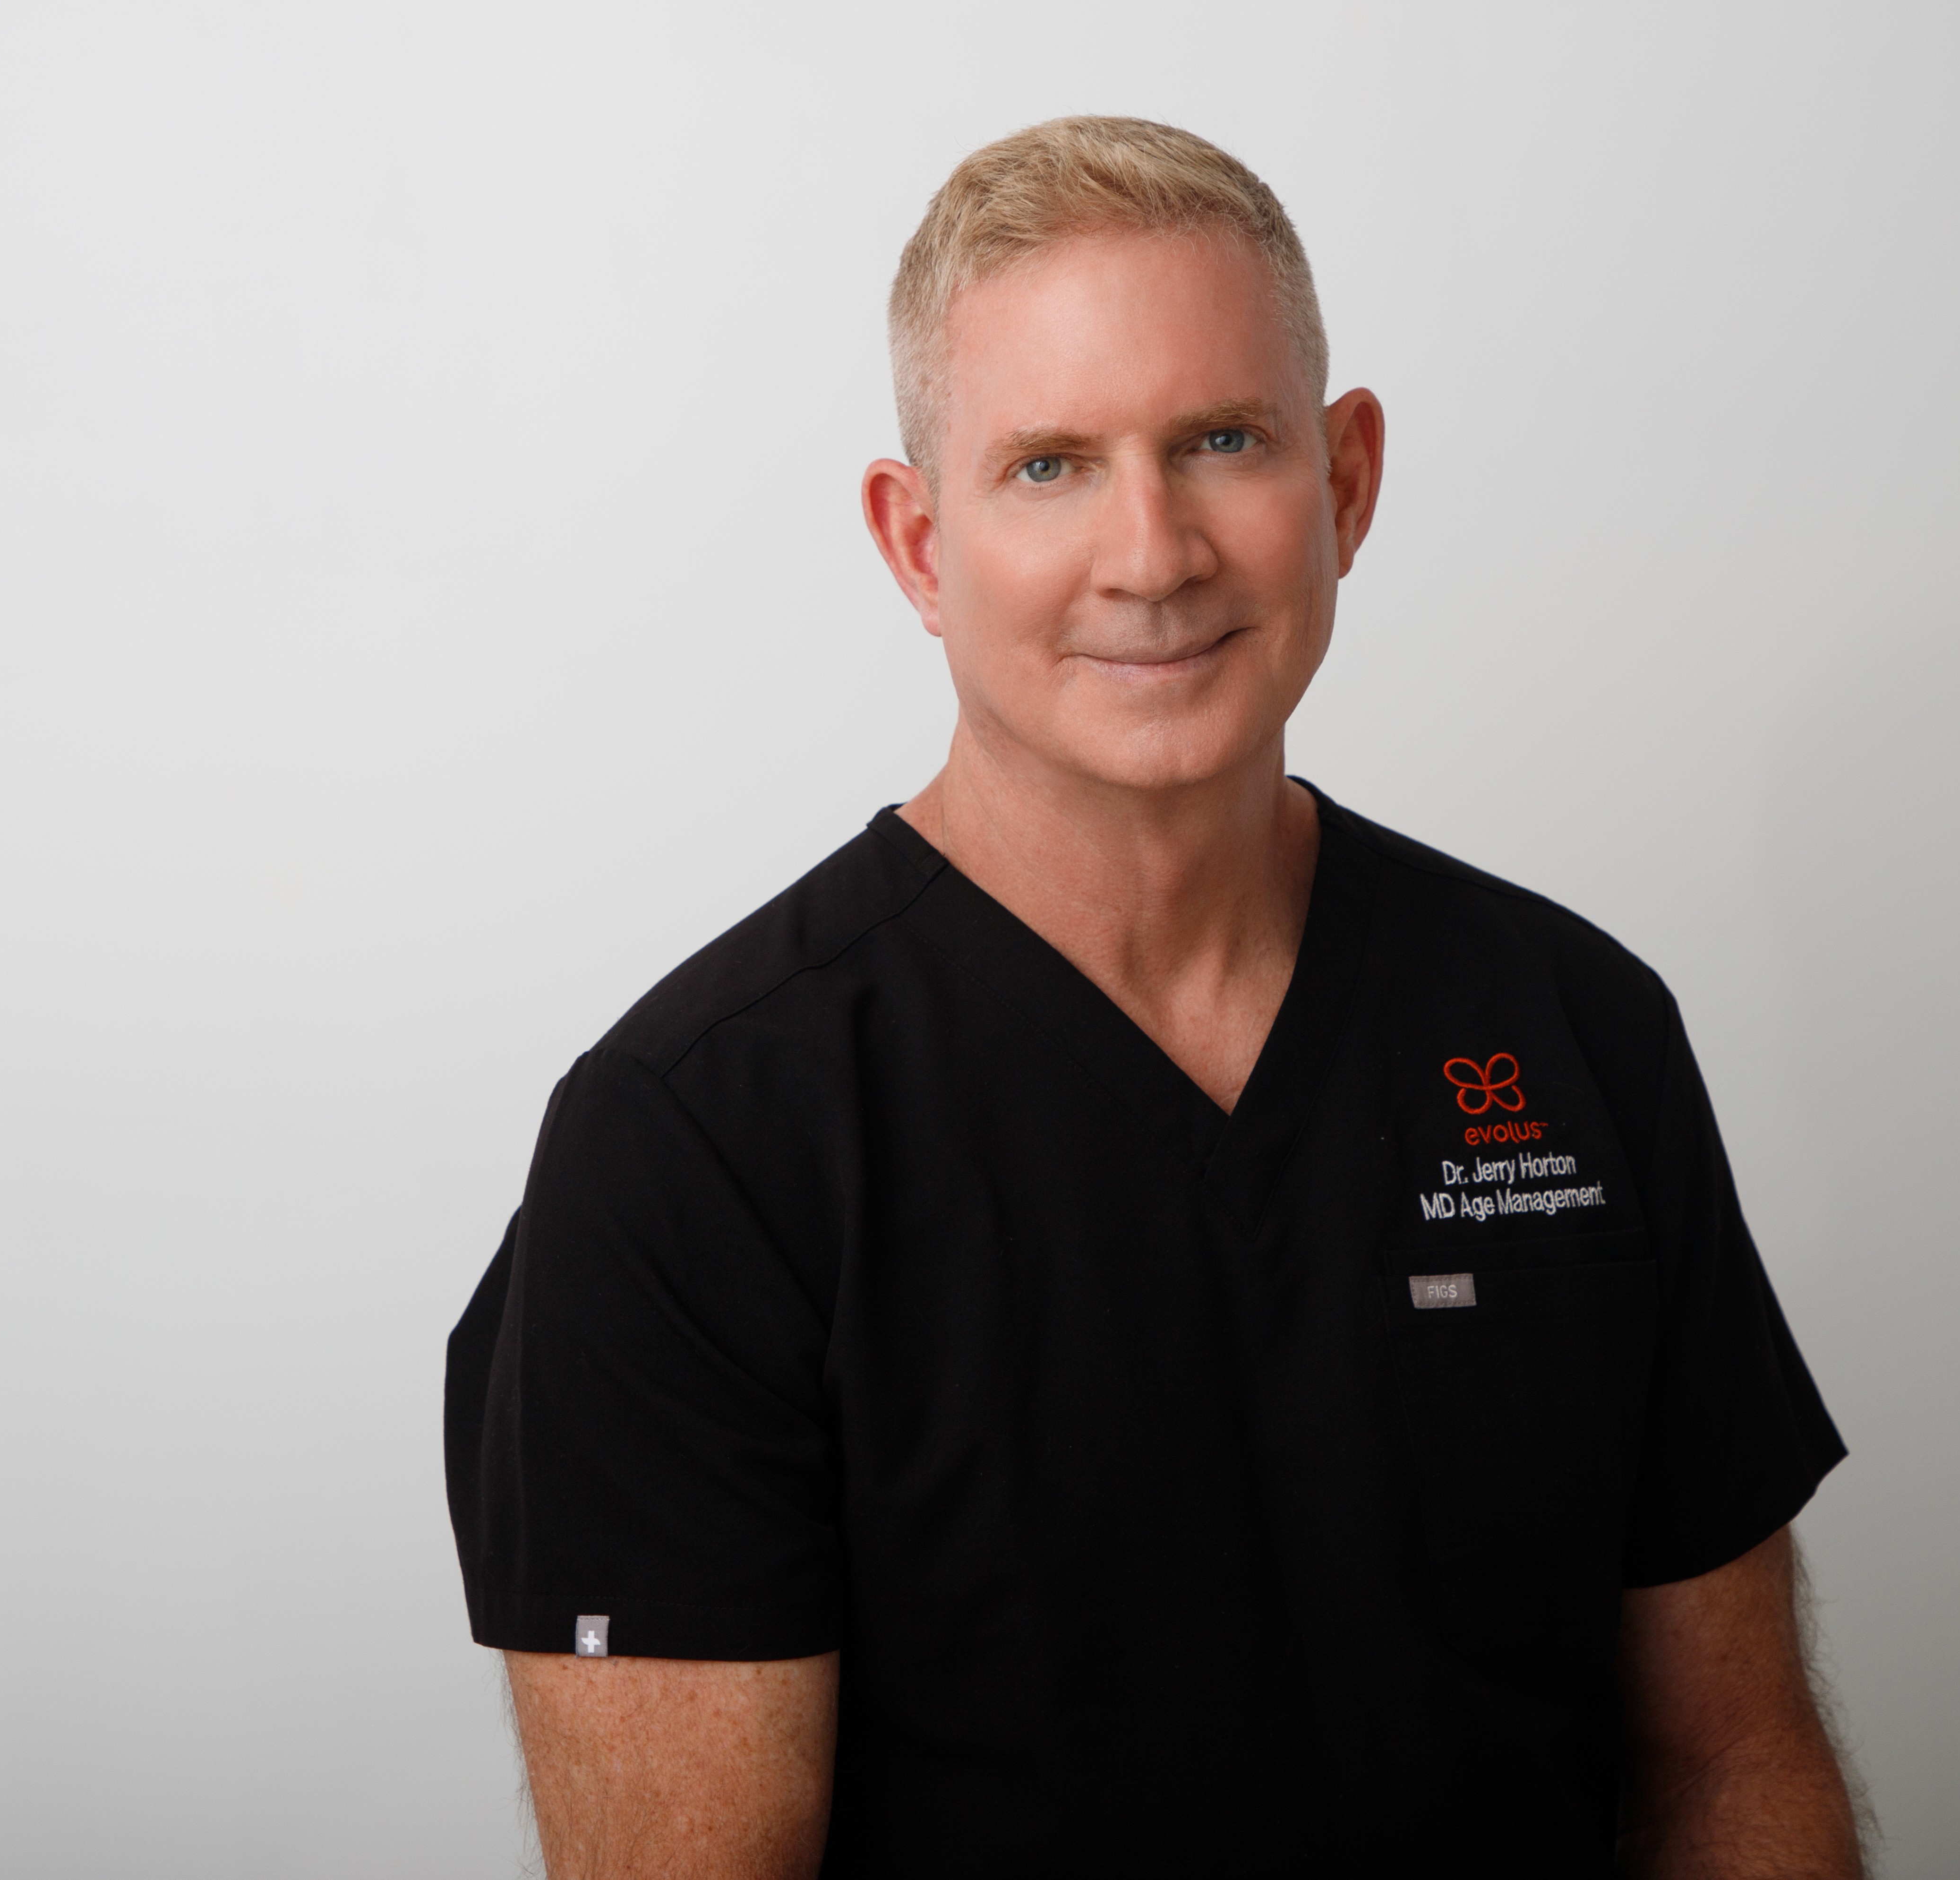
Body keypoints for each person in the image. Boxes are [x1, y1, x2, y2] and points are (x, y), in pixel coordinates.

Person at [445, 115, 1860, 1879]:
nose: (1153, 551)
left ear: (1346, 479)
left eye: (1222, 441)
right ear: (918, 543)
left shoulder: (1573, 1028)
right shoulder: (695, 1148)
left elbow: (1735, 1766)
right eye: (1049, 466)